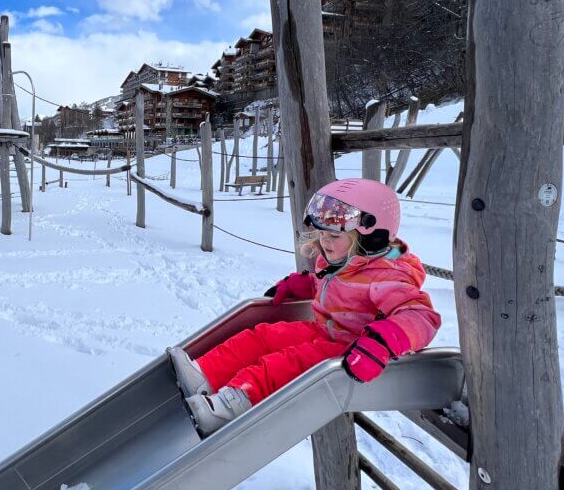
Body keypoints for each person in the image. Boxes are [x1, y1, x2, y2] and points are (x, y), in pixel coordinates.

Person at [168, 178, 441, 437]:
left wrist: (382, 342)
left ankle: (231, 406)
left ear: (369, 236)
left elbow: (420, 316)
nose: (325, 242)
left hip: (348, 348)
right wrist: (303, 284)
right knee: (263, 336)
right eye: (322, 234)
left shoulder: (387, 275)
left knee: (284, 363)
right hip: (323, 330)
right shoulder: (340, 260)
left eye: (334, 235)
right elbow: (332, 286)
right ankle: (205, 374)